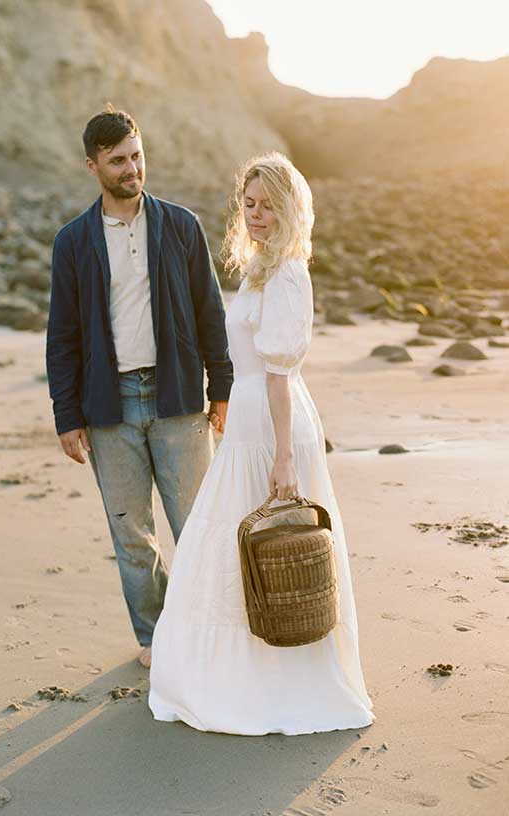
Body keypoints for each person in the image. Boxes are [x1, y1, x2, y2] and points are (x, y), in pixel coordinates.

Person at [148, 152, 375, 735]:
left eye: (268, 205)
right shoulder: (259, 269)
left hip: (274, 425)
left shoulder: (290, 272)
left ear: (289, 209)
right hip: (250, 417)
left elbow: (278, 375)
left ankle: (285, 684)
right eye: (248, 204)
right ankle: (235, 679)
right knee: (234, 551)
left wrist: (283, 459)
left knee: (276, 549)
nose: (255, 215)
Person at [46, 105, 233, 669]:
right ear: (92, 165)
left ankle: (208, 631)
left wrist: (221, 386)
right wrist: (66, 415)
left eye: (136, 156)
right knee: (132, 537)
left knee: (197, 528)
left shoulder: (181, 225)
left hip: (178, 398)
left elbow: (210, 312)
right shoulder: (72, 242)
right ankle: (155, 637)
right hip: (110, 408)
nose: (132, 169)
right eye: (118, 161)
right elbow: (64, 336)